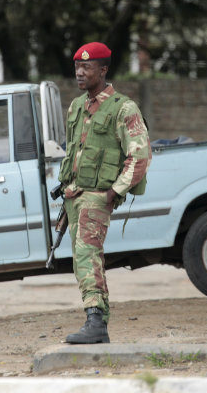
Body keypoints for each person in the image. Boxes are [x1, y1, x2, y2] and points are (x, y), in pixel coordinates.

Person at [57, 41, 152, 344]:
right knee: (84, 258)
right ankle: (98, 323)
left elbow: (140, 155)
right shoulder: (76, 106)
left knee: (87, 255)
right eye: (77, 67)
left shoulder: (123, 107)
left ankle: (95, 320)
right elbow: (74, 151)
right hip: (74, 196)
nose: (80, 73)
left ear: (103, 69)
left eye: (86, 67)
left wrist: (114, 191)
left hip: (97, 197)